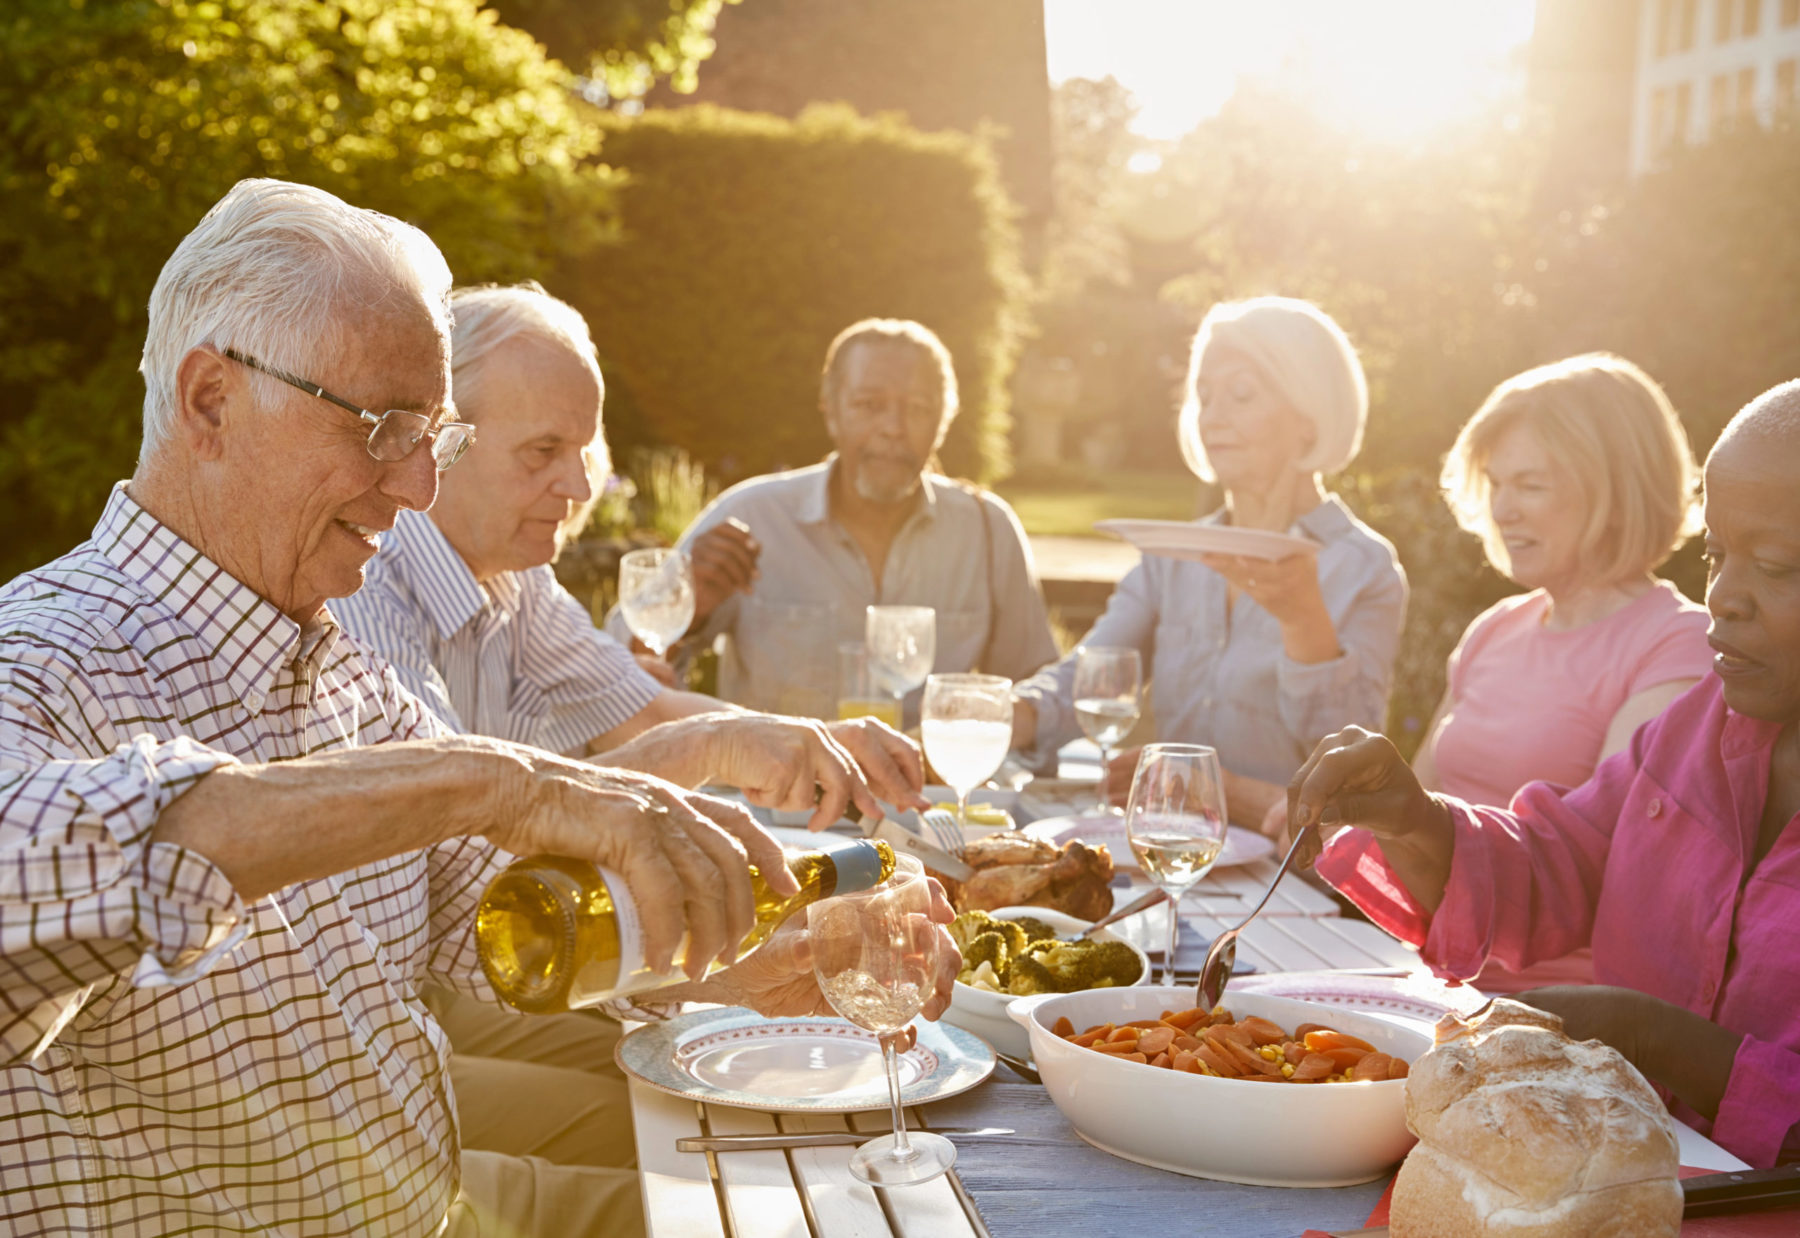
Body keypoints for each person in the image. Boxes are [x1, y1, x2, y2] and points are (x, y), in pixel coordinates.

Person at [0, 178, 959, 1237]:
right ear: (212, 400)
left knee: (843, 1210)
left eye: (437, 440)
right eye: (385, 427)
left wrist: (775, 953)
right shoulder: (41, 654)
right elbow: (35, 866)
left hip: (436, 1200)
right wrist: (490, 779)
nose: (416, 488)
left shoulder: (326, 663)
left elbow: (497, 918)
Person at [1289, 381, 1800, 1169]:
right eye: (1716, 555)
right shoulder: (1705, 724)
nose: (1723, 598)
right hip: (1604, 1177)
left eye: (1773, 565)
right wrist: (1415, 817)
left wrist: (1650, 1035)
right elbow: (1562, 861)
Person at [1010, 297, 1407, 828]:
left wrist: (1303, 621)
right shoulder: (1173, 555)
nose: (1213, 416)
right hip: (1171, 846)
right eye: (1204, 397)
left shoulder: (1365, 568)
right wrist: (996, 718)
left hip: (1291, 874)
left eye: (1241, 395)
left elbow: (1352, 773)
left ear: (1309, 419)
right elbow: (1090, 677)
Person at [1414, 354, 1713, 990]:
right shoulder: (1495, 628)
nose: (1502, 509)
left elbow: (1595, 865)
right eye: (1495, 484)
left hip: (1564, 1013)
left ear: (1612, 491)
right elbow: (1411, 811)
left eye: (1530, 485)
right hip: (1436, 977)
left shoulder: (1678, 645)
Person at [613, 318, 1060, 723]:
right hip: (775, 804)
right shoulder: (753, 515)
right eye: (868, 404)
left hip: (928, 802)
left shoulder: (987, 531)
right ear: (830, 407)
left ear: (944, 421)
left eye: (919, 409)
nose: (893, 427)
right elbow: (615, 666)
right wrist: (689, 609)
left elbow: (1036, 689)